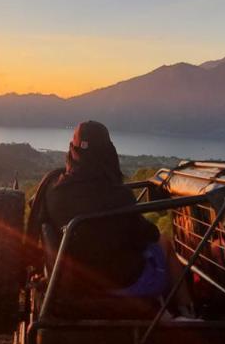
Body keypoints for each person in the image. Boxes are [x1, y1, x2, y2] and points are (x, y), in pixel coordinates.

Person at [34, 121, 162, 294]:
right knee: (163, 247)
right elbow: (146, 235)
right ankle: (184, 312)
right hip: (118, 282)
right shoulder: (119, 196)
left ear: (72, 151)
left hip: (71, 284)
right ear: (108, 153)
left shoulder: (51, 189)